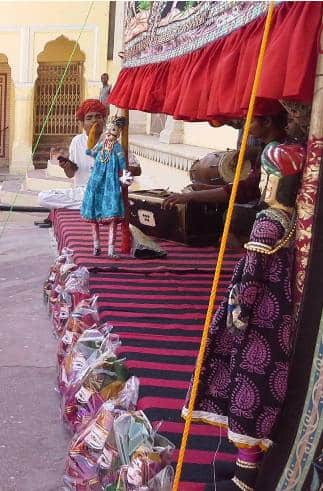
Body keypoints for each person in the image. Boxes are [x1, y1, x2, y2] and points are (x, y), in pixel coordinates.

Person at [182, 141, 305, 490]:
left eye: (268, 178)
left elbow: (250, 277)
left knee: (244, 388)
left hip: (256, 318)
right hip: (277, 315)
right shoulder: (292, 220)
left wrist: (235, 315)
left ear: (282, 183)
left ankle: (245, 476)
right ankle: (245, 468)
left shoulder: (268, 223)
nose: (263, 185)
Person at [162, 111, 288, 209]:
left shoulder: (277, 152)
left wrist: (191, 196)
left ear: (266, 122)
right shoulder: (268, 148)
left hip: (273, 215)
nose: (246, 128)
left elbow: (247, 190)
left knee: (233, 216)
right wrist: (206, 188)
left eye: (251, 122)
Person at [38, 99, 109, 212]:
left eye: (98, 117)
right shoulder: (77, 141)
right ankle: (92, 206)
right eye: (89, 118)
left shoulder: (113, 140)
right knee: (43, 197)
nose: (94, 121)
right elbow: (71, 174)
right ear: (82, 123)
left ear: (104, 120)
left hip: (106, 191)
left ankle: (92, 206)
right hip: (82, 192)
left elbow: (136, 171)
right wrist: (66, 166)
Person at [81, 116, 131, 257]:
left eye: (113, 130)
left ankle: (110, 249)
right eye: (108, 130)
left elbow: (122, 165)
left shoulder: (118, 148)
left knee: (112, 218)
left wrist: (125, 178)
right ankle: (96, 246)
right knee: (93, 214)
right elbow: (90, 153)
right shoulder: (102, 144)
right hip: (96, 182)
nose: (110, 133)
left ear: (118, 133)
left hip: (111, 184)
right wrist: (91, 136)